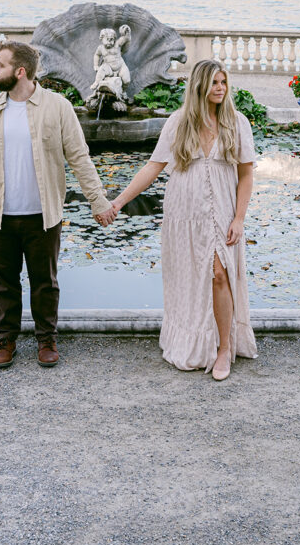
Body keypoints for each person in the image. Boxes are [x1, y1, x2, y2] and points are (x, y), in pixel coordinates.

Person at [0, 40, 115, 369]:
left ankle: (46, 338)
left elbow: (79, 157)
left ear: (20, 72)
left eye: (0, 64)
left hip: (42, 216)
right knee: (2, 281)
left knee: (44, 282)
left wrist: (98, 200)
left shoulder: (57, 107)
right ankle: (6, 339)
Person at [110, 59, 258, 380]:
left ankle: (222, 350)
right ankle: (193, 340)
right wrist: (119, 201)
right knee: (191, 278)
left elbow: (246, 174)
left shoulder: (237, 122)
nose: (220, 89)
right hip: (183, 215)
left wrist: (239, 218)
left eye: (223, 82)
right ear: (199, 86)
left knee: (220, 274)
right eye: (214, 83)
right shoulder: (178, 123)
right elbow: (153, 167)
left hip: (222, 211)